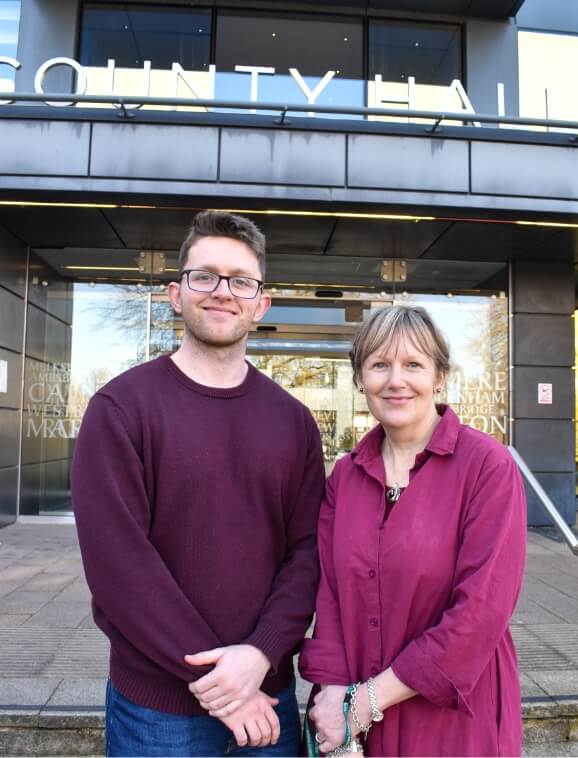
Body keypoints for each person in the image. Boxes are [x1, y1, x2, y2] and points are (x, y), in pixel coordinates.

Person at [71, 211, 325, 757]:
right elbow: (120, 568)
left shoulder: (294, 422)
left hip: (269, 697)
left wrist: (259, 656)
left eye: (241, 280)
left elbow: (307, 555)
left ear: (261, 303)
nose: (222, 292)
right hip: (158, 713)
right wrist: (227, 690)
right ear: (175, 294)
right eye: (204, 276)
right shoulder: (120, 410)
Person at [298, 305, 527, 757]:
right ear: (361, 379)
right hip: (354, 716)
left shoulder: (487, 467)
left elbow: (479, 613)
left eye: (413, 365)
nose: (395, 380)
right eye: (380, 365)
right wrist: (333, 691)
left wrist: (366, 701)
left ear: (440, 376)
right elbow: (328, 594)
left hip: (452, 717)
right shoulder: (344, 477)